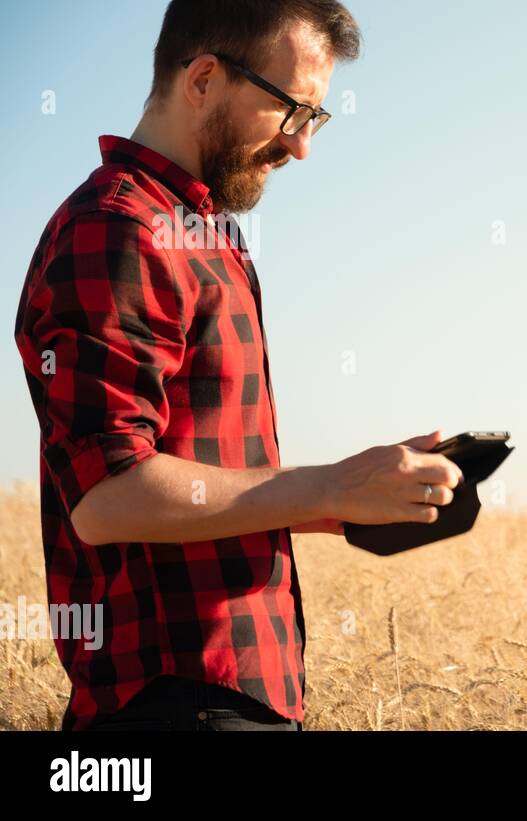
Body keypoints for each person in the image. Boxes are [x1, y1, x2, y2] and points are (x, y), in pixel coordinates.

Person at [13, 0, 463, 731]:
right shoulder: (117, 227)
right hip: (171, 702)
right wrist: (331, 483)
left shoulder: (202, 232)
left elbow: (204, 479)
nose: (301, 146)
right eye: (291, 109)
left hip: (236, 693)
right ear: (202, 80)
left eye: (315, 118)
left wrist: (357, 496)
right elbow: (108, 495)